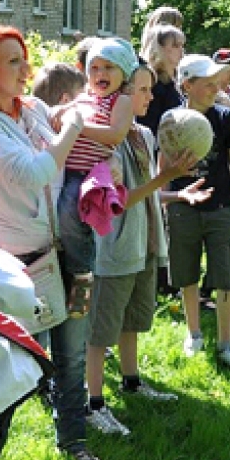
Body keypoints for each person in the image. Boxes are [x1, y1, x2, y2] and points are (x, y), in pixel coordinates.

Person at [0, 25, 102, 460]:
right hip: (21, 267)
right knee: (11, 365)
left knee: (72, 356)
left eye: (24, 59)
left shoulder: (30, 108)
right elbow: (33, 171)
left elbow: (59, 125)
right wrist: (71, 126)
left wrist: (66, 115)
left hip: (70, 254)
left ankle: (73, 442)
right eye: (13, 61)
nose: (25, 69)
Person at [84, 62, 210, 436]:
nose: (150, 97)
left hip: (143, 243)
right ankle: (93, 403)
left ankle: (131, 381)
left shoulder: (142, 134)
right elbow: (118, 201)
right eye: (141, 90)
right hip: (115, 249)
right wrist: (166, 178)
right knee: (100, 331)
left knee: (132, 321)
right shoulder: (108, 140)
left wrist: (175, 192)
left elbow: (148, 191)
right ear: (120, 95)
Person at [161, 54, 230, 371]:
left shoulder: (225, 118)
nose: (216, 88)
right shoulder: (171, 119)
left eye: (217, 82)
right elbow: (163, 169)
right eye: (208, 83)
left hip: (219, 208)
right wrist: (169, 199)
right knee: (186, 273)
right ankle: (195, 334)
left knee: (225, 276)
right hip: (184, 209)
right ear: (187, 84)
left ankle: (226, 344)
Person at [59, 38, 136, 317]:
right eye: (95, 68)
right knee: (57, 215)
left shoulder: (122, 100)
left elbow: (116, 134)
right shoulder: (84, 98)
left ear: (124, 73)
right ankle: (65, 269)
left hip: (90, 174)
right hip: (66, 169)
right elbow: (61, 117)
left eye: (109, 68)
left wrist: (77, 127)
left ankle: (81, 273)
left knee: (69, 207)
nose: (101, 75)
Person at [138, 24, 186, 140]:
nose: (182, 50)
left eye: (182, 45)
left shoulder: (173, 82)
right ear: (159, 48)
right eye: (175, 45)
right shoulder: (152, 86)